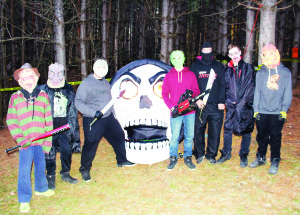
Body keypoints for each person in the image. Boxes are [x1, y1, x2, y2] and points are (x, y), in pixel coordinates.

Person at [75, 58, 135, 182]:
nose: (101, 70)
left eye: (104, 68)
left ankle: (122, 160)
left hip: (108, 118)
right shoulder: (86, 83)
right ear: (94, 68)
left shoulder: (106, 83)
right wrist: (92, 113)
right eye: (99, 67)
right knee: (91, 144)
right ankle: (84, 169)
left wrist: (113, 114)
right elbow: (78, 102)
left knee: (119, 136)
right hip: (93, 119)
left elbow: (110, 100)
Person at [6, 63, 54, 213]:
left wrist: (47, 141)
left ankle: (41, 188)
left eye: (31, 77)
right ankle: (24, 199)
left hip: (40, 141)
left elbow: (48, 120)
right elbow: (11, 120)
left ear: (36, 78)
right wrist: (20, 139)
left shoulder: (43, 96)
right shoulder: (15, 98)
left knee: (41, 167)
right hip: (25, 143)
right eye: (24, 78)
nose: (28, 80)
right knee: (24, 171)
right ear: (19, 81)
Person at [249, 44, 292, 174]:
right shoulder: (261, 73)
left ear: (276, 54)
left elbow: (287, 92)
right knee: (261, 136)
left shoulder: (285, 73)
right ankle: (261, 157)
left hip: (277, 111)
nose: (267, 57)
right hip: (262, 110)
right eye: (265, 54)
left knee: (275, 137)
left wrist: (284, 109)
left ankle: (275, 159)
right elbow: (257, 92)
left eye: (270, 54)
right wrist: (256, 109)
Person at [39, 63, 81, 189]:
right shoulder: (43, 90)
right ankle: (50, 176)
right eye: (53, 73)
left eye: (59, 73)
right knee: (49, 153)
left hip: (65, 129)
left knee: (66, 151)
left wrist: (72, 128)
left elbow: (72, 110)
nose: (56, 76)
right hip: (49, 129)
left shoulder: (68, 89)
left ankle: (65, 173)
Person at [216, 44, 255, 167]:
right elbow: (224, 88)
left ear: (240, 53)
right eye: (231, 54)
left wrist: (242, 102)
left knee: (246, 130)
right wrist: (228, 101)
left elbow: (251, 88)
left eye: (236, 53)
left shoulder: (249, 68)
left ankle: (244, 154)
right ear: (229, 56)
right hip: (231, 106)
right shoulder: (227, 71)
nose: (234, 56)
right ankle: (226, 153)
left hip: (245, 106)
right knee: (228, 129)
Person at [162, 50, 201, 170]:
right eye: (174, 58)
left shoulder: (191, 74)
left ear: (183, 59)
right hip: (176, 111)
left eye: (179, 57)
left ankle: (188, 157)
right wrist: (171, 107)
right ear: (171, 60)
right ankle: (173, 157)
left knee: (189, 135)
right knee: (175, 136)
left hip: (189, 110)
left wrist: (191, 96)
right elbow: (164, 93)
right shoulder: (169, 75)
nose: (177, 60)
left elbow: (196, 90)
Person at [190, 42, 226, 164]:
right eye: (204, 52)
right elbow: (190, 86)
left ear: (212, 52)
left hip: (216, 106)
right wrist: (196, 99)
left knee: (214, 131)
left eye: (209, 51)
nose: (206, 54)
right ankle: (199, 154)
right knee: (198, 130)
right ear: (201, 52)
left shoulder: (219, 67)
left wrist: (222, 101)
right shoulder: (194, 67)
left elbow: (223, 85)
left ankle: (211, 155)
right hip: (200, 105)